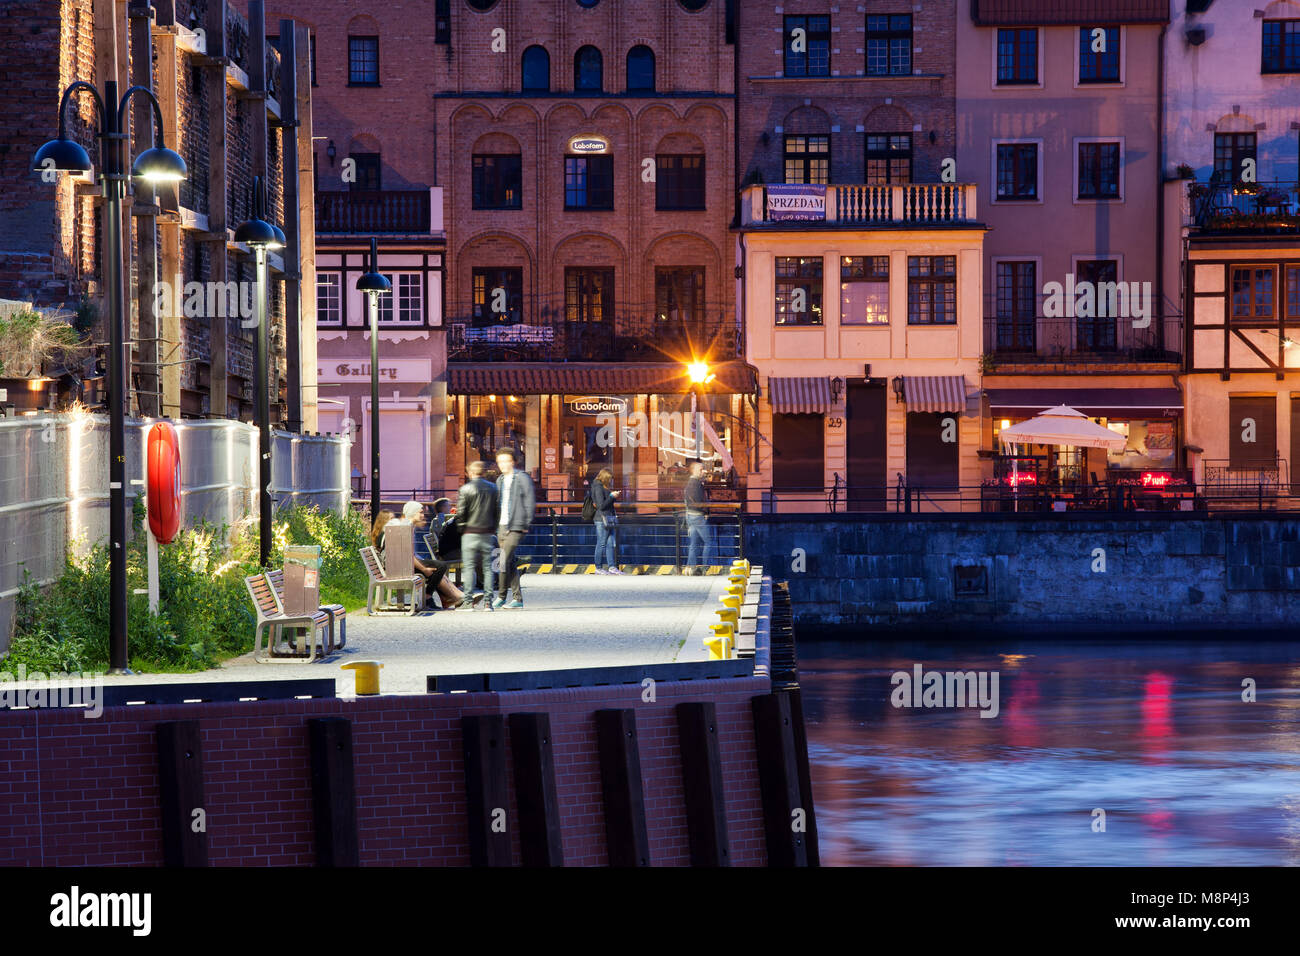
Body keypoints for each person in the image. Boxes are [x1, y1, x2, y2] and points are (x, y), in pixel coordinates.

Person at [453, 461, 500, 609]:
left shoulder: (465, 489)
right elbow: (497, 511)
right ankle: (488, 602)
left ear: (469, 473)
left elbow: (461, 513)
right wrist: (493, 528)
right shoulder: (493, 488)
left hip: (469, 533)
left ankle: (468, 602)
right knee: (487, 568)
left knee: (469, 568)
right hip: (487, 532)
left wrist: (461, 529)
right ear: (484, 472)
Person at [494, 448, 536, 608]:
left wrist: (525, 524)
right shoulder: (499, 480)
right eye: (500, 462)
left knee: (503, 559)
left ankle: (501, 595)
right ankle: (517, 599)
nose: (503, 465)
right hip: (501, 525)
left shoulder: (522, 478)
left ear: (513, 461)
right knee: (509, 561)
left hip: (517, 525)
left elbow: (530, 501)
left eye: (506, 461)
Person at [407, 500, 466, 610]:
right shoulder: (406, 528)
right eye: (420, 512)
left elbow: (411, 553)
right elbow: (408, 555)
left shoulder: (410, 527)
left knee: (438, 567)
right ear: (412, 513)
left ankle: (451, 598)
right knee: (440, 567)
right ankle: (430, 598)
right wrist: (424, 569)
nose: (423, 515)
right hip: (403, 567)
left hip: (405, 564)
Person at [590, 468, 624, 574]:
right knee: (601, 543)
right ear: (605, 478)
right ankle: (598, 567)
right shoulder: (598, 487)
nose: (610, 481)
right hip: (601, 519)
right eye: (609, 479)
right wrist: (611, 496)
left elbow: (606, 504)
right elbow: (601, 506)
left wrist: (612, 497)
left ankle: (611, 567)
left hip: (608, 518)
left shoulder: (602, 486)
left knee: (609, 543)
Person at [683, 459, 713, 574]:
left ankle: (690, 567)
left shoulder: (690, 483)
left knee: (693, 543)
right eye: (701, 469)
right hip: (698, 516)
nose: (703, 471)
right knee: (708, 542)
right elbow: (699, 501)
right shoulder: (696, 484)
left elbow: (692, 500)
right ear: (694, 471)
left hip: (690, 515)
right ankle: (705, 568)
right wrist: (706, 512)